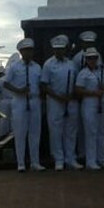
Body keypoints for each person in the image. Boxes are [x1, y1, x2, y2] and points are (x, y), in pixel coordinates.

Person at [41, 34, 82, 171]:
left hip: (70, 101)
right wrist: (58, 97)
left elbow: (78, 82)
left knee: (71, 130)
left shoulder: (72, 64)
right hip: (55, 102)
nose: (59, 51)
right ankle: (59, 159)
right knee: (56, 131)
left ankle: (71, 158)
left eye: (61, 49)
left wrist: (73, 95)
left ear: (66, 49)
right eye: (56, 49)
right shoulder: (48, 64)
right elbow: (44, 86)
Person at [4, 38, 45, 172]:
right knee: (20, 132)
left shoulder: (37, 67)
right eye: (26, 50)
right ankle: (21, 162)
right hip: (20, 100)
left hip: (34, 100)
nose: (29, 53)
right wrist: (18, 90)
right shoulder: (14, 67)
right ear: (21, 52)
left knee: (35, 132)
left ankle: (35, 162)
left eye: (31, 50)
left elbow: (41, 83)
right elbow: (6, 83)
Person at [75, 47, 104, 170]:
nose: (92, 60)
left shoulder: (103, 71)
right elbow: (78, 89)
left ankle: (101, 159)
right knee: (91, 132)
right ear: (86, 60)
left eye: (94, 58)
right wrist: (93, 93)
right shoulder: (83, 73)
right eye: (90, 58)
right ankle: (91, 160)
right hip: (89, 104)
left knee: (102, 132)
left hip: (103, 102)